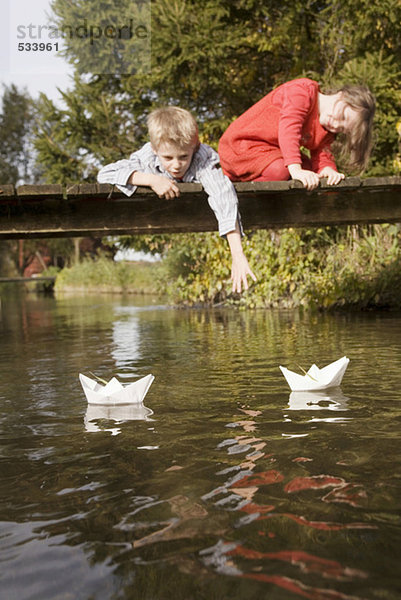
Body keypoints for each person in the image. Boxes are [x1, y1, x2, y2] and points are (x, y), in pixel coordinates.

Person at [98, 106, 256, 293]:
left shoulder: (201, 160)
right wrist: (150, 180)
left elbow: (223, 196)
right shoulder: (147, 157)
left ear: (194, 147)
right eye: (168, 157)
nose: (176, 165)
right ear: (155, 149)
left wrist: (237, 254)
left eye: (183, 157)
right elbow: (105, 174)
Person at [218, 78, 375, 190]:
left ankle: (271, 188)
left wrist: (327, 170)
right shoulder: (302, 92)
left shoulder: (326, 127)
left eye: (342, 129)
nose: (335, 125)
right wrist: (296, 169)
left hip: (268, 152)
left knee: (311, 173)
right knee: (282, 170)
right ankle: (239, 186)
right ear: (342, 95)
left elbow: (323, 152)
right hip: (241, 147)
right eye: (342, 117)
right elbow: (289, 129)